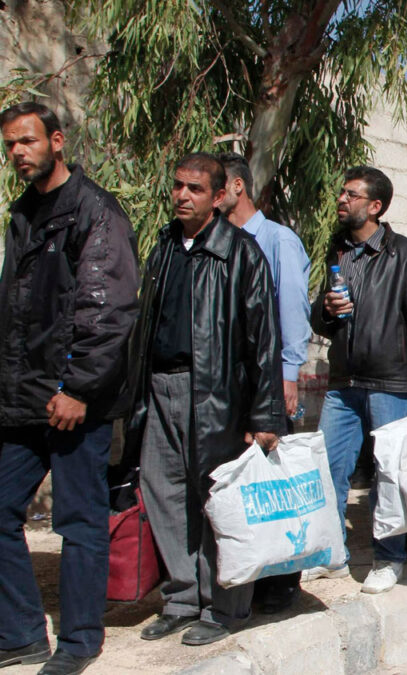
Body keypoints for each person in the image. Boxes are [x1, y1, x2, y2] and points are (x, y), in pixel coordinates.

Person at [0, 102, 139, 675]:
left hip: (74, 401)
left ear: (57, 141)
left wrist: (79, 388)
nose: (18, 154)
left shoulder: (95, 212)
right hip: (22, 397)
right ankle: (23, 632)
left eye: (27, 141)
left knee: (79, 523)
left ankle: (80, 641)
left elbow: (107, 312)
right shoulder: (23, 213)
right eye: (10, 146)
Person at [127, 153, 286, 646]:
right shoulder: (165, 246)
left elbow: (263, 339)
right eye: (177, 186)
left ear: (219, 197)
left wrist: (263, 414)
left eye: (195, 189)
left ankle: (227, 607)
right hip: (160, 388)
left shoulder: (241, 253)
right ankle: (181, 598)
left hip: (215, 394)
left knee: (218, 503)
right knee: (166, 495)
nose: (182, 196)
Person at [305, 167, 407, 594]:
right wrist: (326, 310)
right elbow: (324, 323)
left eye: (352, 194)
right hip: (343, 383)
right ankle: (332, 556)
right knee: (329, 471)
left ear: (375, 206)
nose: (342, 200)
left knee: (389, 474)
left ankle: (389, 558)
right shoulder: (338, 251)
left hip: (391, 384)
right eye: (342, 193)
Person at [217, 152, 312, 613]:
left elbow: (292, 308)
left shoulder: (277, 241)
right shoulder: (217, 242)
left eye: (215, 186)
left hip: (270, 382)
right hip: (229, 385)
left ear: (237, 187)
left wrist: (288, 375)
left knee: (273, 483)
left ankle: (282, 580)